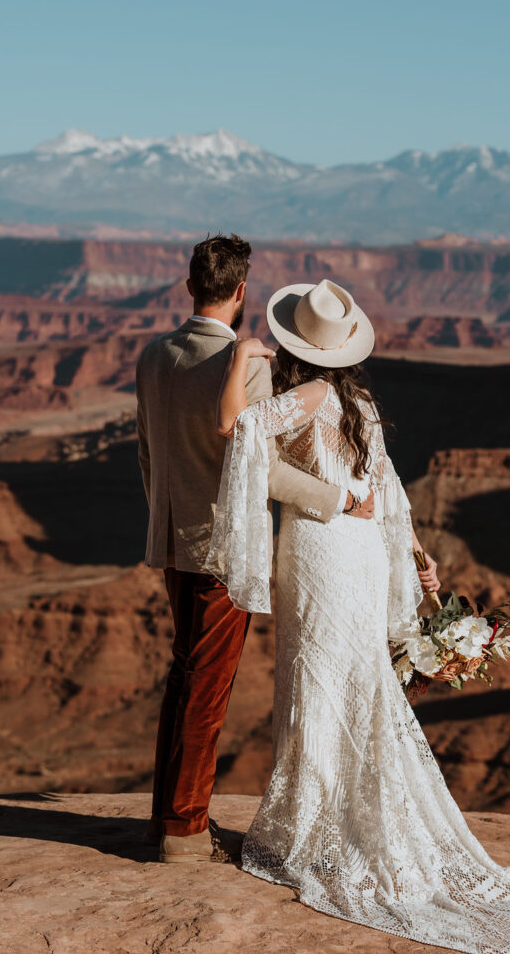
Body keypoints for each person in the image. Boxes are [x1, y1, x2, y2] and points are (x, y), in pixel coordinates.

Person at [206, 278, 510, 952]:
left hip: (321, 550)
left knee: (319, 679)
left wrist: (241, 357)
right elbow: (390, 493)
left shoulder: (305, 395)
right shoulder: (359, 399)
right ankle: (352, 825)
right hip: (362, 554)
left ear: (293, 346)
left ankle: (316, 832)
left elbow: (235, 428)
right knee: (355, 680)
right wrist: (417, 558)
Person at [135, 236, 385, 864]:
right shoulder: (246, 365)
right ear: (242, 292)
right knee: (208, 684)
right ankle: (185, 830)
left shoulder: (153, 355)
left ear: (191, 286)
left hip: (169, 536)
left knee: (185, 672)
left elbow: (148, 453)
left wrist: (165, 516)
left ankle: (168, 816)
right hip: (224, 543)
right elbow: (262, 469)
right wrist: (339, 500)